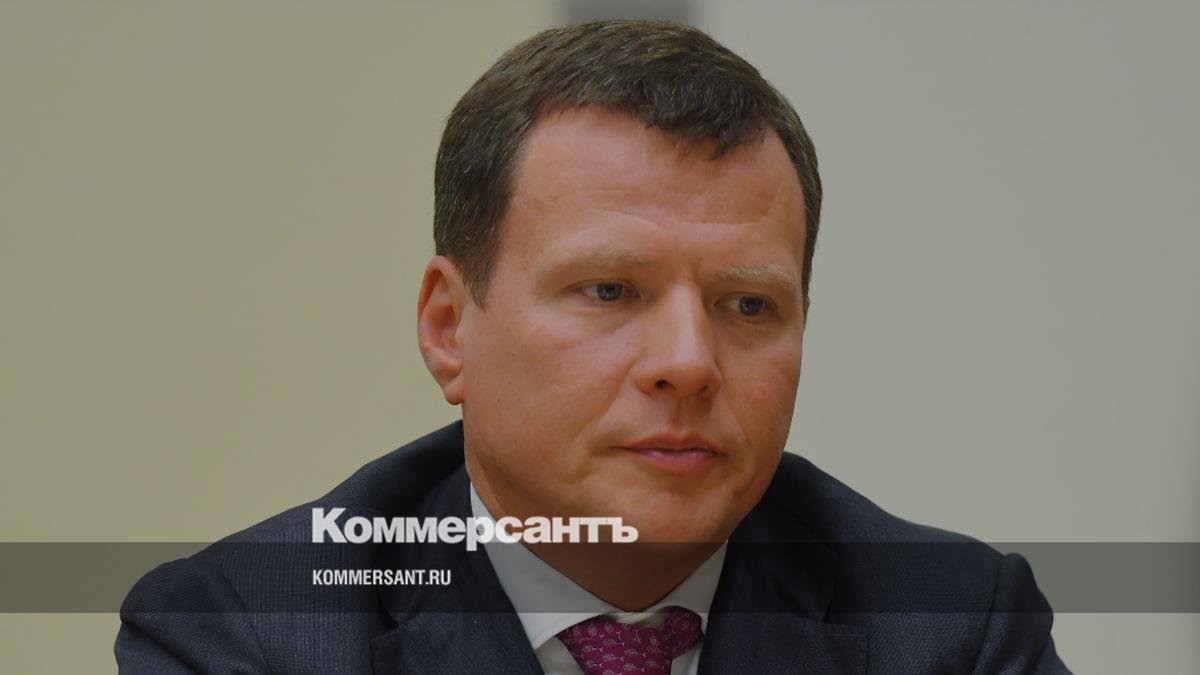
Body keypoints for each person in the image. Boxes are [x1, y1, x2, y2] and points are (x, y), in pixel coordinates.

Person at [116, 19, 1070, 674]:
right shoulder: (251, 633)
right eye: (610, 290)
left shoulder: (952, 627)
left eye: (747, 304)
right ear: (449, 327)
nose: (689, 362)